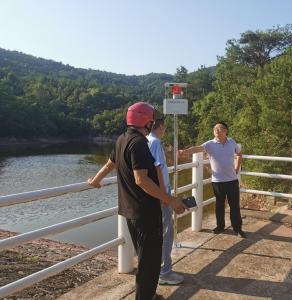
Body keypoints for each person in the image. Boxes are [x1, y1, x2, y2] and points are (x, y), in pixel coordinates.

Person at [87, 102, 186, 300]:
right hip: (145, 212)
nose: (153, 123)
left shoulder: (122, 139)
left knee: (144, 257)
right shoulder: (139, 143)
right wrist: (171, 200)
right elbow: (142, 179)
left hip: (130, 210)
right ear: (147, 122)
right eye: (152, 120)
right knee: (149, 261)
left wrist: (95, 180)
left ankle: (149, 294)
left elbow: (110, 164)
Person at [179, 121, 246, 238]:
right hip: (217, 181)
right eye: (215, 129)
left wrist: (237, 168)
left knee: (234, 205)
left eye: (219, 129)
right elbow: (198, 148)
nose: (216, 130)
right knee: (219, 205)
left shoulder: (232, 142)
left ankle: (237, 228)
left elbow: (239, 153)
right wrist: (184, 152)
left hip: (232, 180)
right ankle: (220, 226)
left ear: (225, 131)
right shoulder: (210, 144)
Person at [147, 117, 184, 285]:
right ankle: (165, 272)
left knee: (155, 235)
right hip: (160, 196)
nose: (165, 130)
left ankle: (155, 270)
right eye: (164, 128)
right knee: (166, 234)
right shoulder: (155, 142)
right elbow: (158, 169)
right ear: (160, 127)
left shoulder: (145, 140)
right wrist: (165, 198)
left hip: (150, 196)